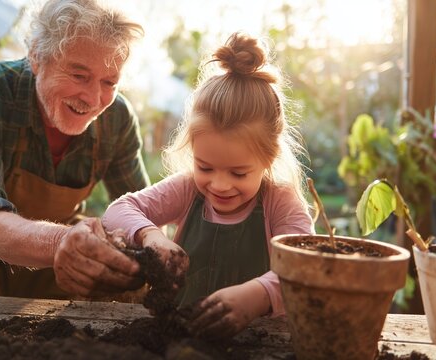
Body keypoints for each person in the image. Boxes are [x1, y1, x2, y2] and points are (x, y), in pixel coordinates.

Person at [102, 32, 314, 338]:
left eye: (239, 173)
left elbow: (306, 266)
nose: (219, 184)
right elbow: (117, 211)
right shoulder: (189, 189)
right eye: (205, 167)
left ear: (269, 158)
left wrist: (258, 295)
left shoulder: (279, 202)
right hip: (181, 339)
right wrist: (151, 236)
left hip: (262, 343)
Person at [0, 0, 151, 299]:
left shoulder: (117, 118)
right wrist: (60, 242)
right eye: (79, 75)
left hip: (59, 263)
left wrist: (154, 244)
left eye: (109, 82)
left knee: (130, 281)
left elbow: (140, 210)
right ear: (37, 56)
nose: (93, 99)